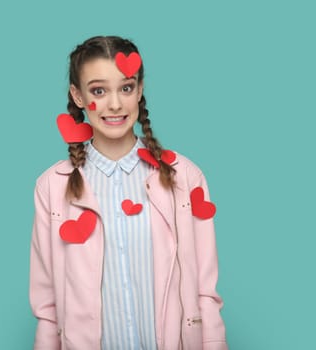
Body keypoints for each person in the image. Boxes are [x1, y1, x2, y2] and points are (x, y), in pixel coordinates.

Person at [29, 35, 228, 350]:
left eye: (126, 87)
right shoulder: (52, 186)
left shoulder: (184, 177)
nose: (115, 104)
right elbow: (47, 306)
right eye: (98, 91)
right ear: (77, 96)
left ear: (140, 89)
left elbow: (205, 291)